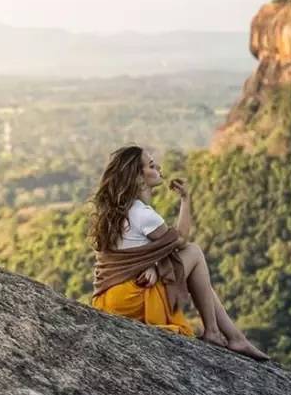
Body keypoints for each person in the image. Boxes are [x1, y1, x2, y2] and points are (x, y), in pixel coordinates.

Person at [89, 144, 270, 361]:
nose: (159, 168)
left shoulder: (117, 210)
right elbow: (180, 240)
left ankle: (232, 336)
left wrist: (154, 267)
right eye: (151, 165)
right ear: (138, 177)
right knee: (194, 252)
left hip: (110, 298)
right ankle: (216, 332)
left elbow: (134, 255)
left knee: (197, 275)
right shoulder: (142, 214)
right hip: (130, 299)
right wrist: (185, 199)